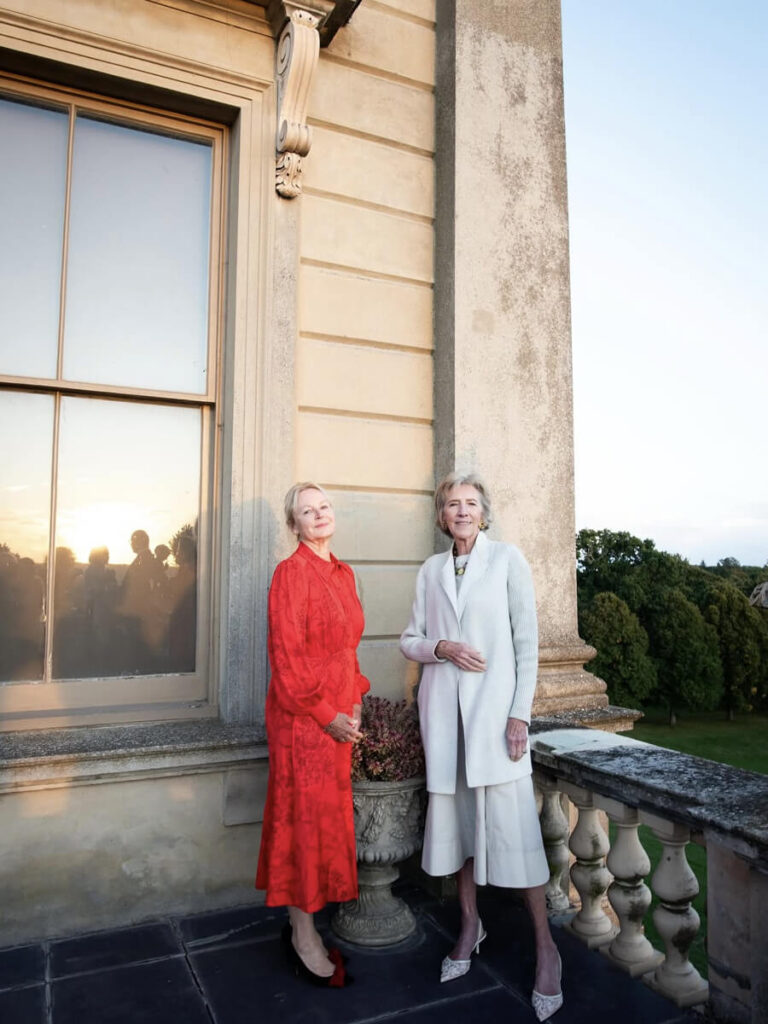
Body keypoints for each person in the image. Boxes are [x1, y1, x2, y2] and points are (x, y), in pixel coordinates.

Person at [400, 472, 563, 1021]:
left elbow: (527, 646)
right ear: (442, 515)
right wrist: (440, 646)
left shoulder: (508, 561)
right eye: (452, 504)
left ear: (484, 513)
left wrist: (520, 715)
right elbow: (409, 639)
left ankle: (546, 948)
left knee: (518, 837)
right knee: (461, 834)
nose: (461, 511)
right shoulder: (430, 570)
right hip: (446, 722)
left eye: (470, 503)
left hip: (497, 725)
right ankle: (470, 925)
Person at [256, 482, 369, 988]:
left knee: (325, 822)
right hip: (303, 724)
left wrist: (357, 699)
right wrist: (328, 714)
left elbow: (348, 650)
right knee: (300, 823)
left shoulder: (342, 573)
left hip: (338, 724)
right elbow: (286, 661)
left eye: (324, 507)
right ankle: (301, 933)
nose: (319, 515)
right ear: (294, 524)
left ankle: (313, 922)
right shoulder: (290, 574)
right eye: (307, 511)